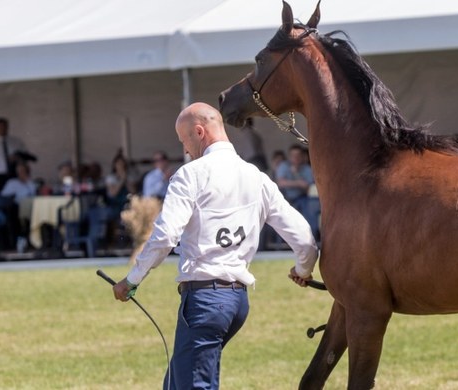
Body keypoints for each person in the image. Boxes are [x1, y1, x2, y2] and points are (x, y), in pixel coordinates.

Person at [111, 102, 319, 389]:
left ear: (199, 132)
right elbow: (305, 240)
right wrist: (303, 270)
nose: (185, 150)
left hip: (204, 301)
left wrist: (132, 279)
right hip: (237, 302)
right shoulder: (258, 178)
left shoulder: (190, 175)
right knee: (175, 383)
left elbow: (165, 236)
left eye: (185, 141)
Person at [276, 144, 319, 238]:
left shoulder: (307, 169)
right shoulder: (284, 166)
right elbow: (280, 183)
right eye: (293, 155)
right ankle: (281, 244)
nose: (296, 158)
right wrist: (298, 183)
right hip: (285, 198)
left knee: (310, 210)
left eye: (298, 155)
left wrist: (296, 178)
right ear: (289, 157)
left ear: (302, 156)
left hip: (303, 198)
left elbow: (308, 187)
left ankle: (311, 238)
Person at [0, 117, 30, 190]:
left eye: (4, 126)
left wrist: (18, 158)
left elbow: (26, 156)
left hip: (14, 174)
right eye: (0, 126)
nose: (2, 128)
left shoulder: (16, 142)